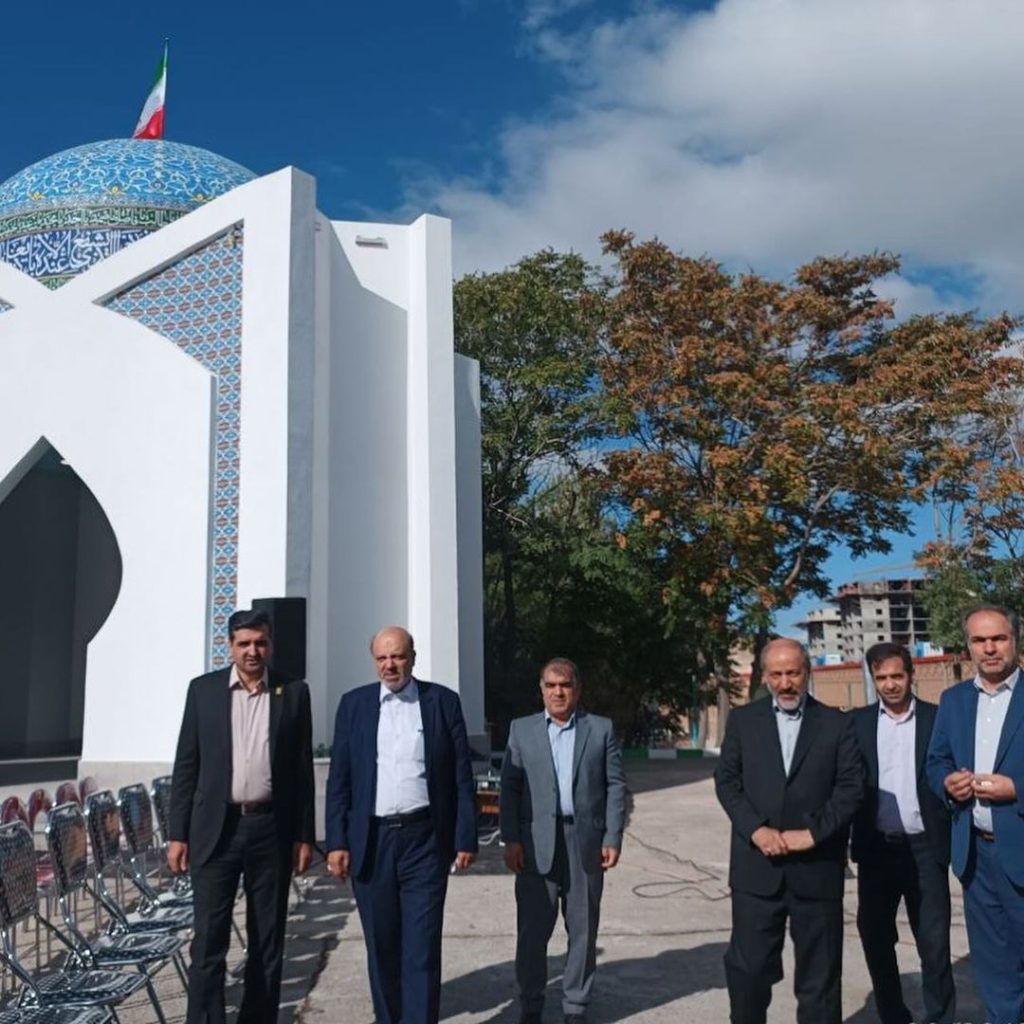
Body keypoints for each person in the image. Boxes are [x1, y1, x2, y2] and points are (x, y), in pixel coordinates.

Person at [167, 608, 315, 1024]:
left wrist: (304, 836)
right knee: (208, 941)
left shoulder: (293, 692)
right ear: (230, 646)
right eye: (244, 643)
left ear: (270, 645)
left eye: (261, 643)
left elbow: (302, 770)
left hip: (271, 830)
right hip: (216, 831)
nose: (253, 651)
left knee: (267, 939)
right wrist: (178, 833)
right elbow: (186, 765)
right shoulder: (203, 691)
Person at [324, 626, 478, 1024]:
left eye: (398, 656)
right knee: (382, 946)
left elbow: (461, 776)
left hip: (424, 841)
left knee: (421, 948)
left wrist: (466, 836)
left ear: (413, 657)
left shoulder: (441, 702)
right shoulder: (354, 705)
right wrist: (337, 841)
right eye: (382, 658)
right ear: (374, 661)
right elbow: (339, 780)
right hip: (372, 843)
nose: (390, 665)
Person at [714, 637, 863, 1024]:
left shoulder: (836, 724)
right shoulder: (744, 722)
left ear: (807, 672)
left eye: (793, 673)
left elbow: (851, 789)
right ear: (764, 676)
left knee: (820, 979)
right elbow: (727, 781)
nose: (785, 683)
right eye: (777, 674)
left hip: (817, 870)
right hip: (756, 871)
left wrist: (813, 834)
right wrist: (756, 830)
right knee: (748, 972)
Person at [500, 658, 626, 1024]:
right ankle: (531, 1003)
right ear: (541, 690)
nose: (558, 692)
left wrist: (612, 836)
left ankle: (575, 1006)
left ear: (577, 689)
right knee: (532, 931)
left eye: (565, 685)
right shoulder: (521, 730)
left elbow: (615, 785)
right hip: (534, 843)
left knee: (583, 930)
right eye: (551, 685)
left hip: (585, 843)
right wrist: (511, 838)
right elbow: (510, 788)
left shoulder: (600, 729)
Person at [927, 603, 1024, 1024]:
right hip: (976, 857)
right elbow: (936, 761)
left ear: (1015, 640)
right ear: (968, 646)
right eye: (979, 640)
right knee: (994, 966)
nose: (990, 648)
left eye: (998, 638)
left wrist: (1016, 789)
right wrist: (948, 784)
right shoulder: (954, 700)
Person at [850, 642, 954, 1024]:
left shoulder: (937, 719)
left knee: (934, 943)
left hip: (925, 848)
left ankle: (940, 1017)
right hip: (876, 849)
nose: (890, 684)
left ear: (911, 675)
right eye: (881, 677)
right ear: (872, 679)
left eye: (897, 675)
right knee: (876, 939)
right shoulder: (857, 723)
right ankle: (894, 1016)